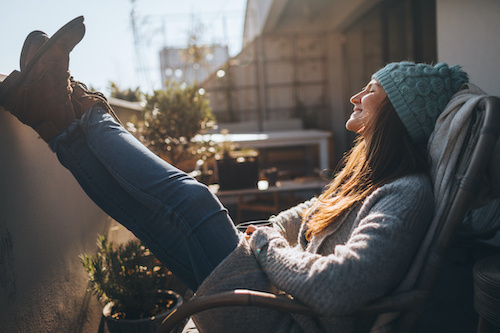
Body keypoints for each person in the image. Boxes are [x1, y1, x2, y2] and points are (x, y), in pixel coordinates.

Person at [0, 17, 469, 333]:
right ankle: (54, 118)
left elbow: (337, 287)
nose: (355, 97)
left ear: (397, 113)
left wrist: (265, 245)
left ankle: (79, 107)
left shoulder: (408, 194)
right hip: (274, 300)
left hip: (280, 320)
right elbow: (304, 213)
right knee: (151, 219)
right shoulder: (372, 183)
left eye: (370, 90)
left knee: (196, 201)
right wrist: (269, 234)